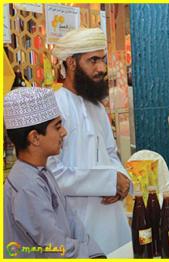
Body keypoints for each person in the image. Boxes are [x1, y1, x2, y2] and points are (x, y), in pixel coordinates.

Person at [47, 28, 132, 254]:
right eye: (93, 60)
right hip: (78, 220)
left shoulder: (96, 106)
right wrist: (108, 180)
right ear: (71, 63)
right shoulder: (55, 106)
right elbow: (53, 174)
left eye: (102, 60)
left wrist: (121, 181)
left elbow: (110, 153)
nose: (102, 68)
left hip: (112, 216)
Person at [3, 87, 104, 258]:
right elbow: (55, 247)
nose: (64, 132)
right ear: (35, 138)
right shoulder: (27, 186)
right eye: (57, 127)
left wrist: (94, 253)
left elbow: (71, 222)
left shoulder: (42, 172)